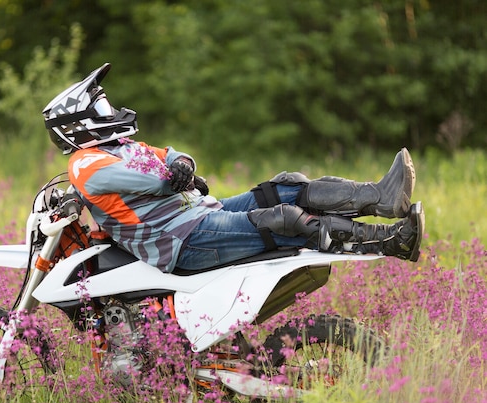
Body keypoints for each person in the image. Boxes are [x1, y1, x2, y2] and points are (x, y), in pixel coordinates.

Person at [42, 63, 424, 273]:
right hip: (179, 240)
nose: (113, 111)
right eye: (103, 108)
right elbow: (157, 179)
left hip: (198, 214)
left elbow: (171, 155)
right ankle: (390, 241)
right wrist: (177, 173)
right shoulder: (86, 164)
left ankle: (382, 198)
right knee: (283, 218)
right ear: (79, 125)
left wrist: (184, 165)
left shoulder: (121, 146)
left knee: (286, 185)